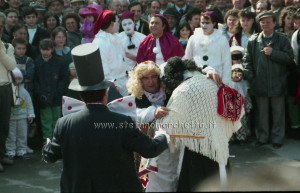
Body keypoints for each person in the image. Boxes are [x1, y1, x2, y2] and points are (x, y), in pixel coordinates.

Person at [42, 43, 169, 192]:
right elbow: (151, 149)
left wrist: (48, 143)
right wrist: (162, 135)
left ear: (81, 95)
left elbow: (49, 155)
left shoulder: (64, 123)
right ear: (106, 93)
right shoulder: (122, 122)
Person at [159, 57, 242, 191]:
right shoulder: (212, 81)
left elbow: (168, 125)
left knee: (200, 184)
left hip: (198, 149)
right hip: (220, 144)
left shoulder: (182, 90)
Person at [243, 10, 294, 149]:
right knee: (261, 114)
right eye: (262, 22)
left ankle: (278, 138)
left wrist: (274, 53)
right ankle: (262, 137)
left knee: (278, 113)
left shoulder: (282, 39)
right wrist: (252, 78)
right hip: (260, 83)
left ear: (274, 23)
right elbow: (246, 61)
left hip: (278, 82)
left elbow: (290, 59)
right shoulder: (253, 40)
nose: (265, 24)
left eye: (268, 21)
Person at [34, 39, 69, 142]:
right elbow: (35, 80)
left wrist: (59, 91)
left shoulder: (59, 62)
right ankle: (47, 141)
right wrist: (39, 93)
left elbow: (64, 78)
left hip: (56, 96)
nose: (45, 52)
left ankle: (56, 141)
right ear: (40, 49)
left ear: (52, 49)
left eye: (48, 50)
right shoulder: (37, 63)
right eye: (43, 50)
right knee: (46, 120)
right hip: (43, 97)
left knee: (56, 119)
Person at [184, 11, 232, 85]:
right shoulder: (193, 38)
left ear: (214, 23)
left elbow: (227, 63)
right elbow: (187, 59)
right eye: (202, 22)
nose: (204, 25)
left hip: (216, 79)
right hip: (196, 77)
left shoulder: (222, 39)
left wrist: (225, 83)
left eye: (207, 23)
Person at [93, 10, 128, 96]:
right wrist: (113, 88)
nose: (119, 24)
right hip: (111, 87)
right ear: (111, 23)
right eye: (117, 21)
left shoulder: (116, 37)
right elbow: (103, 69)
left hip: (124, 82)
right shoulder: (100, 42)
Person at [6, 68, 35, 160]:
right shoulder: (8, 91)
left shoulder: (24, 91)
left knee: (22, 134)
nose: (17, 81)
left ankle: (22, 150)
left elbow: (29, 104)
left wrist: (30, 114)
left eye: (19, 78)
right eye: (15, 78)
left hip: (22, 117)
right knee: (10, 135)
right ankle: (10, 151)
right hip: (11, 118)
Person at [0, 11, 16, 172]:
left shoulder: (7, 46)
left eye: (1, 25)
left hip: (4, 88)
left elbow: (11, 66)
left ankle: (2, 153)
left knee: (4, 124)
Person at [228, 46, 252, 145]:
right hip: (231, 107)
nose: (237, 75)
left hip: (241, 107)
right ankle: (232, 137)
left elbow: (246, 96)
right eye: (234, 58)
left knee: (242, 122)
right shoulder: (228, 82)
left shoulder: (244, 83)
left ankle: (241, 137)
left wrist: (248, 107)